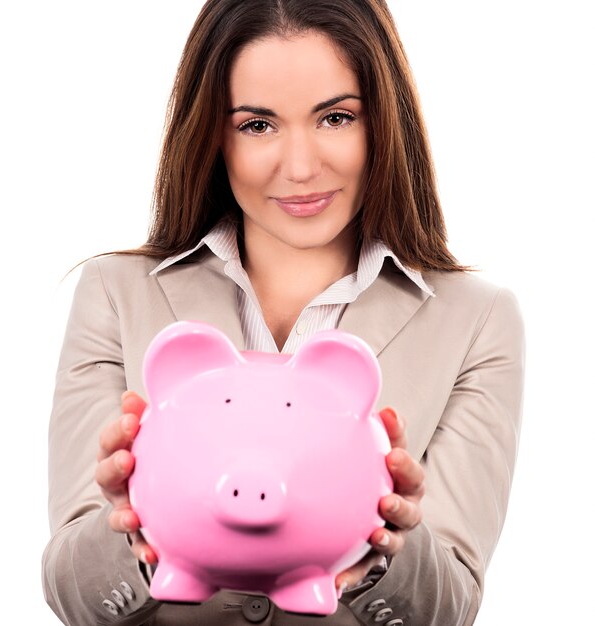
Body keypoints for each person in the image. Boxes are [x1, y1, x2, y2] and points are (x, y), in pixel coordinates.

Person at [41, 1, 525, 624]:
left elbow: (450, 605)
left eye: (336, 117)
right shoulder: (115, 292)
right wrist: (127, 529)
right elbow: (70, 592)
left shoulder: (477, 319)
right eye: (257, 125)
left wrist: (386, 547)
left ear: (384, 122)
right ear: (211, 134)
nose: (300, 168)